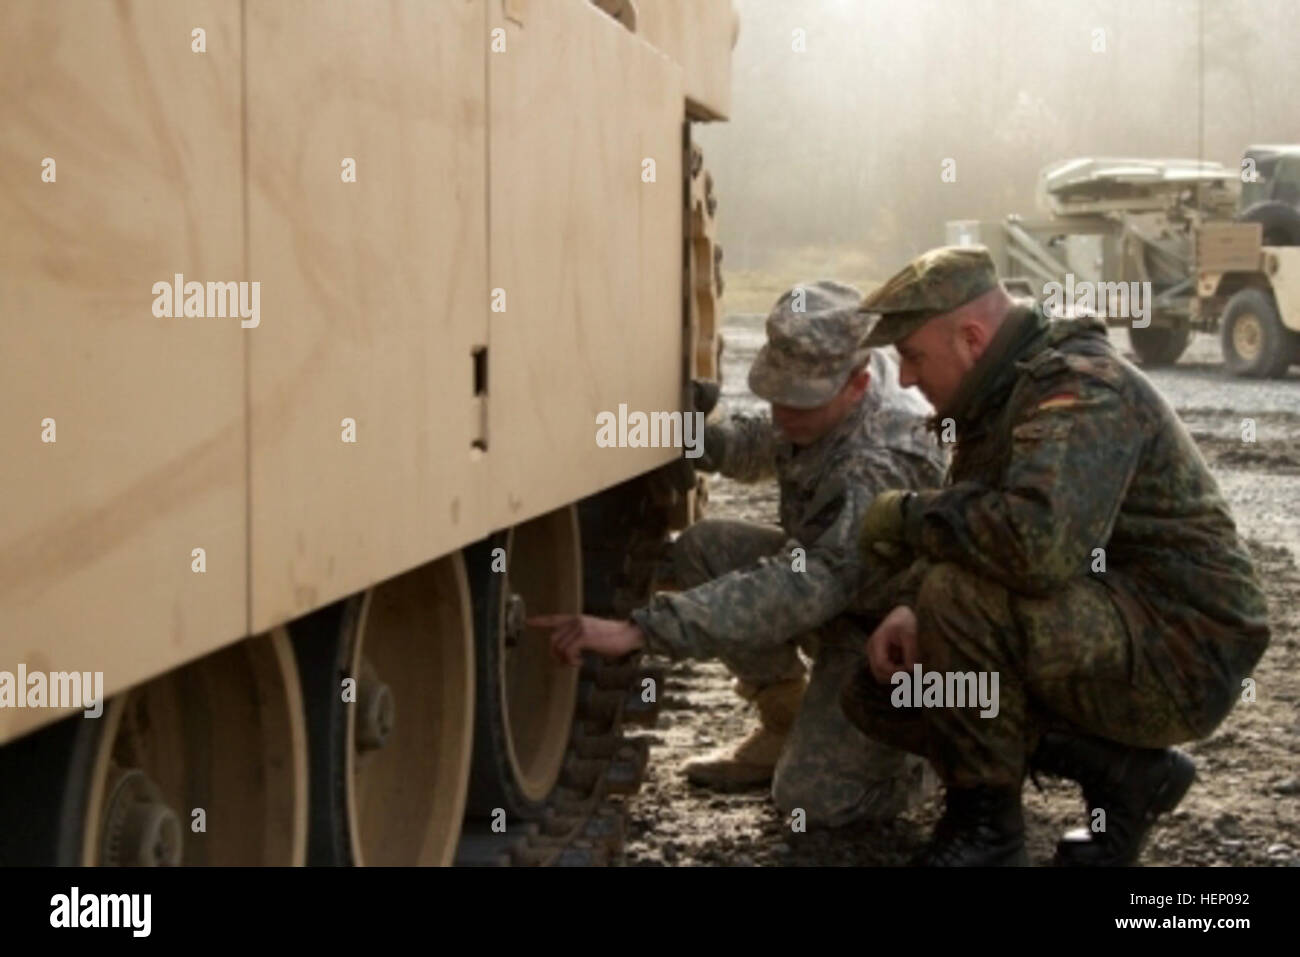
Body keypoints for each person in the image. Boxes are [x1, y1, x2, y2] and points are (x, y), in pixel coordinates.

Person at [844, 245, 1271, 865]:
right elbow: (981, 520)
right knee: (882, 689)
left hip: (1184, 645)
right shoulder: (996, 392)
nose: (905, 378)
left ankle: (984, 831)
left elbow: (1035, 547)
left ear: (970, 338)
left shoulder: (1081, 388)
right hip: (1110, 616)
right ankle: (1123, 771)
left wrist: (908, 517)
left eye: (911, 356)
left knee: (958, 602)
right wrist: (909, 604)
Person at [531, 280, 947, 827]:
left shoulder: (883, 457)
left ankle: (925, 753)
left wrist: (642, 629)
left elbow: (804, 588)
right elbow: (761, 445)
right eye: (776, 393)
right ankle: (784, 719)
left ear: (857, 384)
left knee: (813, 801)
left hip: (892, 636)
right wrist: (685, 439)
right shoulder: (823, 401)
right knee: (707, 548)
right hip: (837, 588)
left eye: (799, 401)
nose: (781, 413)